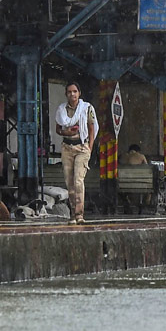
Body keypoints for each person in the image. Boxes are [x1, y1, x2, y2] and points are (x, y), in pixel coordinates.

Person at [54, 81, 99, 225]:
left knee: (78, 181)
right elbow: (58, 129)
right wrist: (66, 132)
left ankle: (79, 214)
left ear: (79, 93)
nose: (72, 94)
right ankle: (72, 214)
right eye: (69, 92)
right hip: (67, 147)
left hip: (82, 147)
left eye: (75, 91)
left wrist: (89, 148)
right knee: (69, 182)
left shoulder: (86, 108)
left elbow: (91, 129)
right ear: (66, 94)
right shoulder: (61, 110)